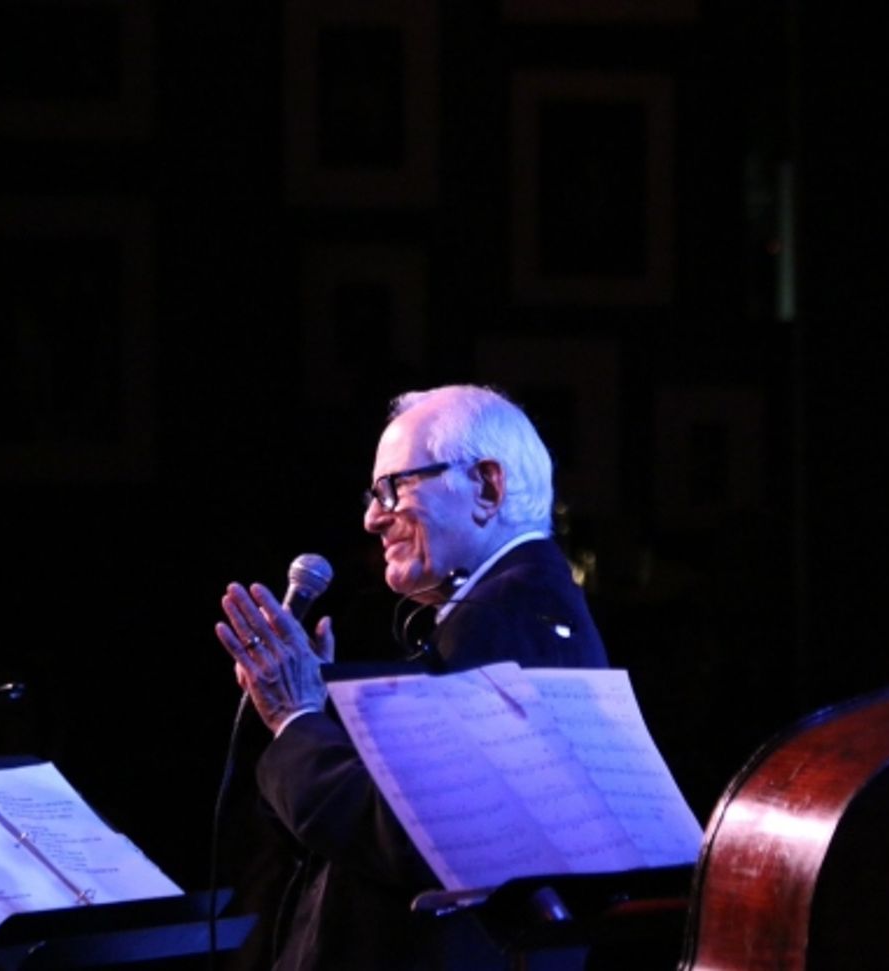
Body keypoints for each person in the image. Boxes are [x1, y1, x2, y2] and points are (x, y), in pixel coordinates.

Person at [215, 384, 609, 971]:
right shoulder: (521, 605)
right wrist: (323, 712)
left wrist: (295, 718)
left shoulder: (499, 620)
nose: (373, 518)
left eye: (394, 488)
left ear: (487, 486)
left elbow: (413, 836)